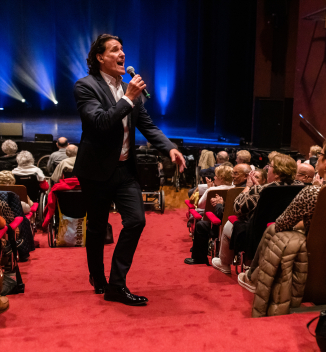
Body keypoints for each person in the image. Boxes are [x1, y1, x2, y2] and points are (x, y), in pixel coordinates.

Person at [73, 33, 185, 306]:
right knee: (97, 229)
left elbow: (147, 126)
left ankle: (116, 285)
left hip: (125, 171)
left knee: (136, 221)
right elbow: (100, 123)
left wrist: (168, 147)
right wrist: (128, 98)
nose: (122, 54)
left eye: (123, 49)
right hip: (95, 171)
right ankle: (98, 278)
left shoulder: (129, 88)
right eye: (115, 50)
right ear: (100, 57)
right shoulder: (85, 86)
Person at [238, 136, 326, 292]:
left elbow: (283, 223)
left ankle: (252, 277)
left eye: (321, 155)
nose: (317, 159)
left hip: (312, 252)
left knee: (272, 229)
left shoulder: (312, 192)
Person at [212, 153, 302, 274]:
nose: (267, 169)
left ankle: (224, 264)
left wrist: (248, 187)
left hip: (258, 233)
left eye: (270, 166)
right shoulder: (300, 187)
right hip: (289, 232)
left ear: (277, 173)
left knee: (230, 223)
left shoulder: (259, 190)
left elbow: (237, 207)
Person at [184, 165, 234, 265]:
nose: (214, 177)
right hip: (232, 225)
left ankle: (199, 258)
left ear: (221, 178)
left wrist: (209, 189)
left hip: (215, 226)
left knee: (200, 225)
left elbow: (201, 206)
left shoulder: (212, 191)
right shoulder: (235, 189)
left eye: (216, 176)